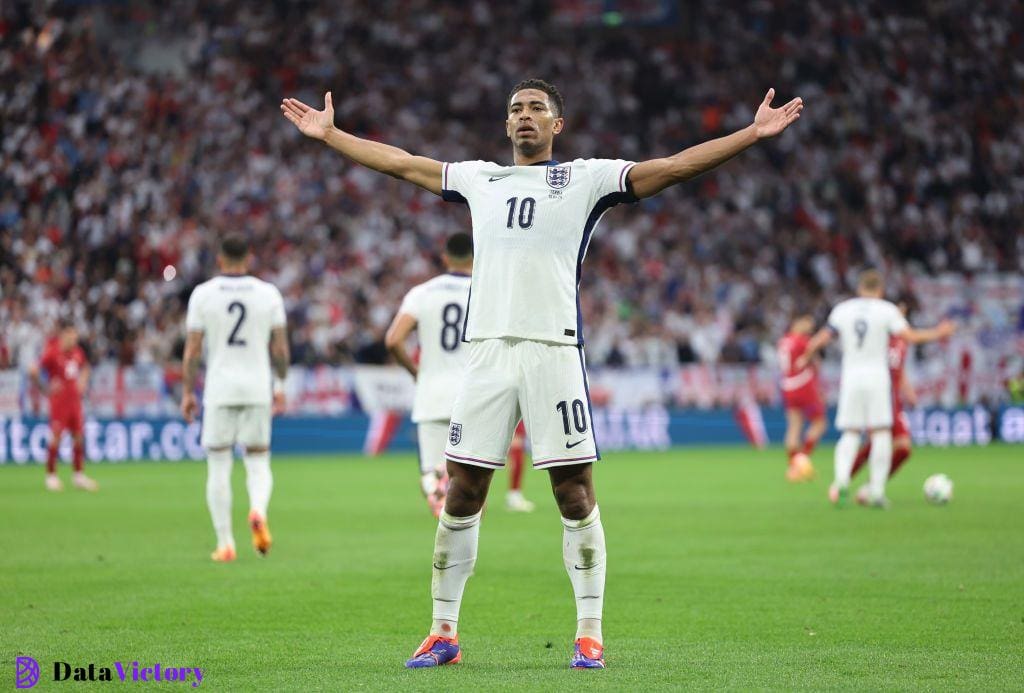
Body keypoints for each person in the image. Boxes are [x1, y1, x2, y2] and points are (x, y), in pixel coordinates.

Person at [282, 78, 803, 669]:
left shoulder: (587, 178)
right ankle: (443, 630)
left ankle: (589, 633)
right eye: (514, 110)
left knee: (573, 492)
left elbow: (677, 166)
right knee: (462, 490)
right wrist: (329, 136)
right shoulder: (481, 178)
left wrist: (752, 134)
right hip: (486, 352)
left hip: (553, 350)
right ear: (506, 126)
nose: (523, 116)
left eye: (535, 108)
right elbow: (402, 164)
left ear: (557, 125)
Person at [386, 233, 536, 516]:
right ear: (475, 257)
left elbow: (393, 340)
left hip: (431, 394)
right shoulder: (490, 291)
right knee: (470, 482)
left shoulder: (422, 293)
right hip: (476, 394)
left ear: (445, 258)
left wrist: (416, 372)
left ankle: (438, 490)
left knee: (430, 476)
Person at [801, 271, 954, 508]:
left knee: (850, 432)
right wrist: (938, 332)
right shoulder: (887, 310)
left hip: (851, 376)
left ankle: (841, 483)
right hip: (877, 378)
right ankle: (876, 492)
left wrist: (807, 354)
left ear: (859, 288)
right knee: (881, 432)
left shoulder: (843, 309)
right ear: (880, 290)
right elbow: (909, 336)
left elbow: (822, 337)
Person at [181, 234, 290, 562]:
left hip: (220, 389)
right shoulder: (268, 293)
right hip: (257, 388)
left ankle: (225, 543)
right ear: (249, 258)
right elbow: (281, 349)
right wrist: (280, 385)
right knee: (258, 460)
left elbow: (193, 351)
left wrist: (188, 391)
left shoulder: (203, 294)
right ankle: (257, 510)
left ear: (219, 259)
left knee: (218, 464)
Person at [849, 301, 915, 503]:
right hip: (876, 397)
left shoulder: (902, 339)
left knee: (902, 449)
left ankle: (870, 487)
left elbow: (899, 370)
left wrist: (907, 389)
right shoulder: (877, 336)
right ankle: (843, 480)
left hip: (894, 400)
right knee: (879, 444)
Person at [29, 322, 97, 492]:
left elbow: (86, 367)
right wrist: (45, 388)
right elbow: (33, 370)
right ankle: (51, 476)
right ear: (63, 335)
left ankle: (78, 476)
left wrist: (82, 381)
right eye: (71, 335)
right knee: (56, 437)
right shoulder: (52, 352)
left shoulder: (77, 352)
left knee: (78, 436)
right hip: (59, 402)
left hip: (75, 402)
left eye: (75, 336)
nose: (74, 339)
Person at [777, 314, 826, 482]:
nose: (810, 328)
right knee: (819, 423)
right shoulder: (802, 341)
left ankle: (792, 468)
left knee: (793, 426)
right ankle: (802, 461)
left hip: (787, 385)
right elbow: (814, 359)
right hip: (803, 384)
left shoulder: (784, 341)